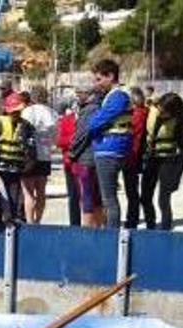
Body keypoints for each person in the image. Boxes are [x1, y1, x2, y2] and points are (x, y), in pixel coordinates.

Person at [141, 92, 183, 231]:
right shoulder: (152, 111)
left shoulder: (178, 122)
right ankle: (150, 225)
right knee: (144, 196)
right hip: (151, 158)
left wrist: (176, 177)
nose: (161, 111)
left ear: (173, 111)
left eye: (165, 110)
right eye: (160, 107)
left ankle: (165, 229)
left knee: (163, 197)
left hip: (169, 161)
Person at [88, 59, 133, 229]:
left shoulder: (118, 96)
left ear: (110, 76)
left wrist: (92, 126)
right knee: (108, 197)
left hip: (110, 149)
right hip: (110, 148)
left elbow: (95, 123)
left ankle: (112, 235)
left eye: (99, 79)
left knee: (109, 198)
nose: (96, 83)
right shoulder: (113, 96)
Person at [0, 92, 36, 223]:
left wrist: (28, 167)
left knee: (13, 205)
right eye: (13, 111)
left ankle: (12, 226)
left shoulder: (27, 127)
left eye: (17, 111)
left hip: (16, 171)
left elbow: (32, 149)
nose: (15, 114)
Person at [69, 87, 105, 228]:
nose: (77, 95)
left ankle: (88, 232)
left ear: (90, 95)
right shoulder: (102, 107)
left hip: (86, 159)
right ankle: (98, 229)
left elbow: (82, 135)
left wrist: (72, 153)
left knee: (87, 198)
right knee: (98, 199)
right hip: (98, 157)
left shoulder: (89, 110)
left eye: (80, 92)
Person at [20, 87, 56, 224]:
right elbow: (55, 137)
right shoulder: (52, 113)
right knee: (41, 192)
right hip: (45, 155)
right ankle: (38, 220)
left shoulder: (27, 112)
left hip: (29, 156)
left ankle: (29, 221)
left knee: (28, 193)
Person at [124, 86, 148, 229]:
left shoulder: (137, 114)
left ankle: (132, 219)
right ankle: (133, 217)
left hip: (132, 156)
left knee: (131, 190)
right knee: (132, 190)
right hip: (134, 156)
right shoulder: (143, 112)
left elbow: (134, 136)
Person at [56, 99, 81, 227]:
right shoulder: (66, 119)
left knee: (87, 196)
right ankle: (74, 224)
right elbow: (59, 141)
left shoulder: (88, 119)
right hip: (69, 163)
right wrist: (75, 139)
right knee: (73, 196)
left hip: (85, 163)